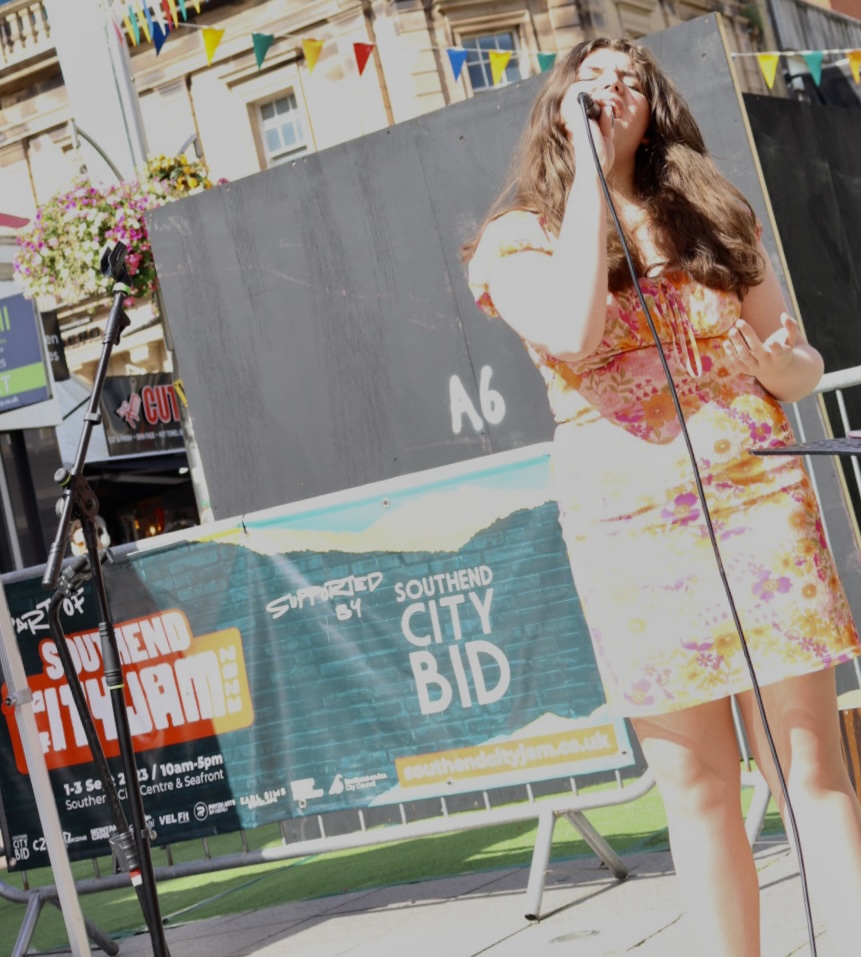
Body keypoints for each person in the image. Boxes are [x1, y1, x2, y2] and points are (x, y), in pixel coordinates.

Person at [463, 36, 861, 957]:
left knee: (809, 766)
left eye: (631, 81)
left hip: (759, 499)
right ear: (561, 104)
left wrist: (782, 367)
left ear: (654, 109)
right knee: (698, 785)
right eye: (593, 79)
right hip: (631, 528)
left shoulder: (712, 210)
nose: (613, 89)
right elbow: (572, 331)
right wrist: (591, 179)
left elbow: (797, 360)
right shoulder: (518, 238)